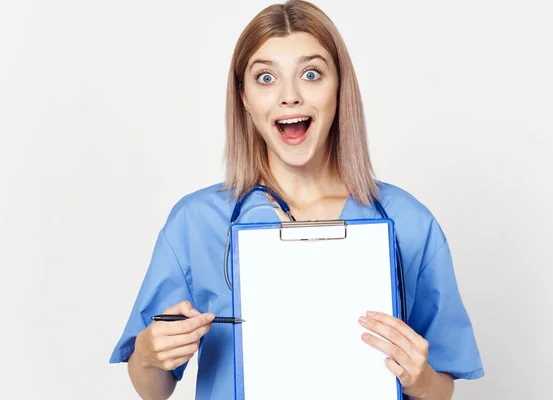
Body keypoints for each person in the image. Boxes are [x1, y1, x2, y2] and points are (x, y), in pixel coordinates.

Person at [109, 1, 484, 399]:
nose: (290, 96)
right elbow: (154, 390)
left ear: (339, 87)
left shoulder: (408, 223)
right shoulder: (195, 224)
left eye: (311, 74)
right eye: (266, 77)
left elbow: (441, 389)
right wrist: (150, 355)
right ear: (244, 98)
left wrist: (419, 378)